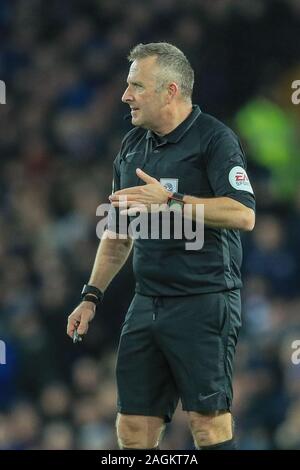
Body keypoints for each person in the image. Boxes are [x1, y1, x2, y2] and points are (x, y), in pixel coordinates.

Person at [66, 42, 255, 450]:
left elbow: (243, 214)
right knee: (133, 428)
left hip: (204, 301)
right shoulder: (132, 146)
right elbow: (117, 232)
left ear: (170, 91)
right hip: (147, 302)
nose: (125, 95)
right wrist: (91, 296)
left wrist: (171, 200)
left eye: (136, 86)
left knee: (207, 425)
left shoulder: (215, 140)